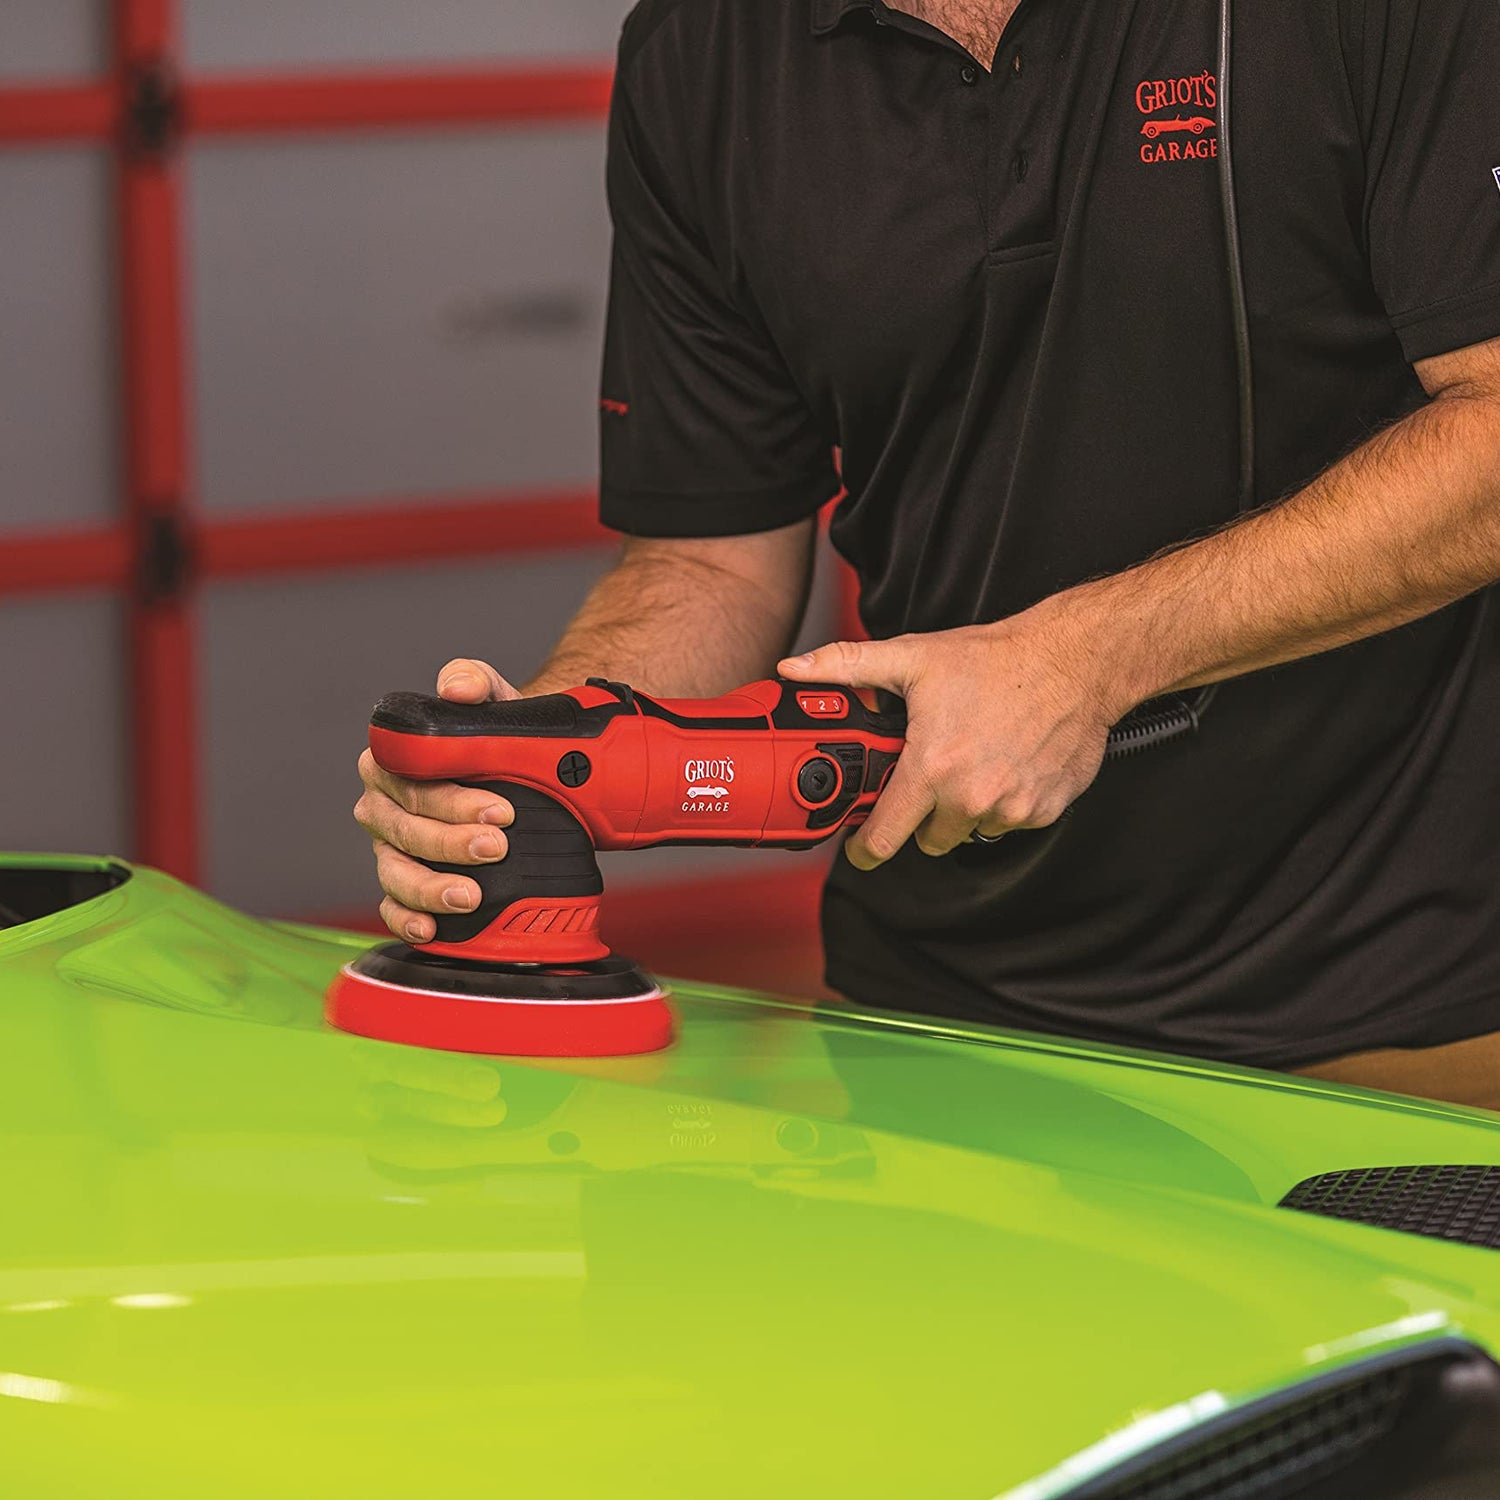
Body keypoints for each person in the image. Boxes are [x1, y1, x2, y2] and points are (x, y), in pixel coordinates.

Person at [357, 0, 1500, 1108]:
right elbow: (709, 563)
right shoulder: (702, 49)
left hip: (1398, 1018)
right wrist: (539, 764)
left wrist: (1083, 660)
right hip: (935, 1019)